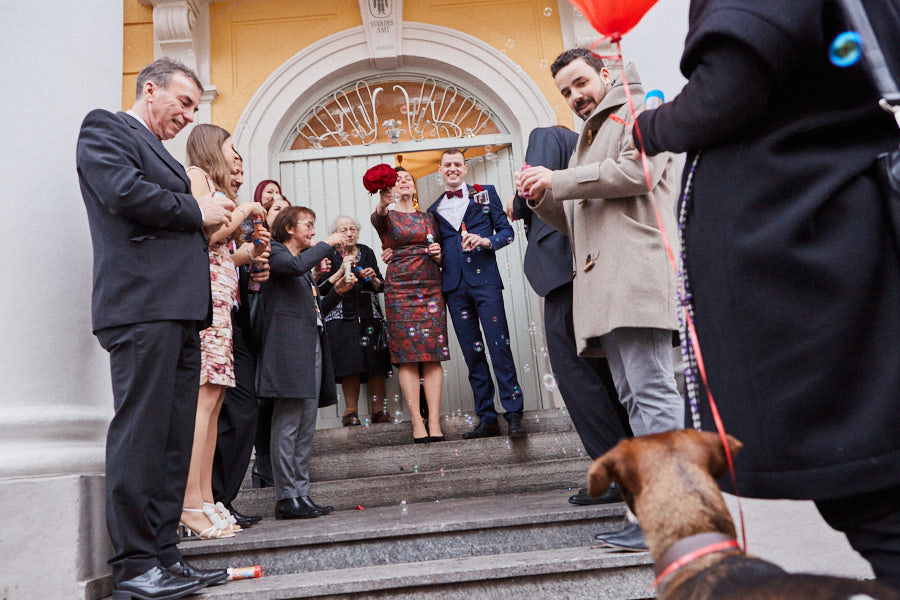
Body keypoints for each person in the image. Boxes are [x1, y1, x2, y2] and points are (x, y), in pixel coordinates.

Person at [633, 0, 900, 587]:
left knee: (878, 500)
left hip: (813, 255)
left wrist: (648, 126)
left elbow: (731, 86)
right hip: (831, 240)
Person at [77, 58, 234, 598]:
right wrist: (199, 209)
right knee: (141, 435)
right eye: (185, 102)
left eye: (195, 108)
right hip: (140, 307)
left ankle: (165, 555)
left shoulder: (162, 154)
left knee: (171, 440)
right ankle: (134, 565)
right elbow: (123, 195)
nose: (190, 116)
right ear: (150, 89)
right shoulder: (105, 127)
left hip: (181, 310)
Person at [516, 49, 685, 550]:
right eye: (566, 91)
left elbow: (639, 174)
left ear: (605, 75)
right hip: (608, 285)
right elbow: (579, 220)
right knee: (635, 397)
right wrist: (542, 197)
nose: (574, 96)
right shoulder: (593, 132)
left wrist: (558, 179)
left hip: (635, 278)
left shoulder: (638, 109)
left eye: (581, 82)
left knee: (651, 393)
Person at [507, 126, 633, 505]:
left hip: (565, 271)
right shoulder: (600, 148)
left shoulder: (548, 134)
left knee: (576, 377)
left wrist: (517, 200)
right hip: (594, 267)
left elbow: (535, 184)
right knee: (606, 377)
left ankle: (612, 474)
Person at [182, 124, 268, 539]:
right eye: (231, 148)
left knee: (214, 402)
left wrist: (246, 254)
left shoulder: (215, 186)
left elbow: (218, 253)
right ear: (211, 147)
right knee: (203, 401)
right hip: (204, 304)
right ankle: (190, 502)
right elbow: (203, 234)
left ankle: (205, 497)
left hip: (220, 302)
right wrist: (244, 211)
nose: (236, 156)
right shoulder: (196, 174)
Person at [257, 206, 350, 519]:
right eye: (307, 225)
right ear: (288, 229)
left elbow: (313, 307)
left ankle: (301, 494)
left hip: (310, 346)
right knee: (288, 423)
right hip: (287, 351)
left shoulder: (301, 269)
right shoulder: (277, 253)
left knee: (305, 425)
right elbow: (294, 266)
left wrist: (336, 291)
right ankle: (286, 498)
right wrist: (328, 242)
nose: (312, 230)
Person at [427, 149, 525, 439]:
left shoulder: (486, 193)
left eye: (458, 164)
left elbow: (507, 232)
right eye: (448, 165)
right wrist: (436, 255)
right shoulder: (433, 209)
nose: (453, 169)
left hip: (486, 284)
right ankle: (486, 416)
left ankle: (514, 412)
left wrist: (485, 240)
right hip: (454, 288)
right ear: (440, 170)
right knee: (473, 354)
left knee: (499, 347)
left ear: (465, 169)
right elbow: (439, 248)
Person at [211, 150, 269, 529]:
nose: (240, 171)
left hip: (235, 318)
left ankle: (223, 497)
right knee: (220, 413)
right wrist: (240, 256)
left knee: (244, 412)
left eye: (243, 167)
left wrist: (255, 263)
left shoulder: (238, 214)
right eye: (234, 161)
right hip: (211, 318)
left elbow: (237, 265)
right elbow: (205, 252)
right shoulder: (214, 206)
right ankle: (213, 499)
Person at [372, 167, 449, 443]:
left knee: (432, 354)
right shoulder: (386, 217)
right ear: (392, 188)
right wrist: (383, 201)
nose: (404, 182)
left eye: (408, 179)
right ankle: (417, 421)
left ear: (414, 188)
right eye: (398, 180)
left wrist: (439, 256)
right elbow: (379, 216)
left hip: (430, 286)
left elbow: (440, 252)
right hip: (400, 290)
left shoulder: (429, 218)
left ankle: (435, 420)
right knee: (406, 356)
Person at [319, 216, 392, 426]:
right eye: (343, 230)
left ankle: (379, 411)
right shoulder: (329, 254)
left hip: (370, 315)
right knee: (349, 365)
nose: (349, 233)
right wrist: (341, 272)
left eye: (352, 229)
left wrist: (373, 278)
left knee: (376, 364)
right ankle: (350, 412)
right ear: (336, 234)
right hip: (341, 317)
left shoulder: (366, 252)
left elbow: (380, 286)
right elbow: (321, 289)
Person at [250, 191, 291, 489]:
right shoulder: (265, 245)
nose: (284, 214)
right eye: (277, 208)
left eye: (288, 210)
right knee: (262, 398)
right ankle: (263, 464)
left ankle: (279, 465)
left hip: (284, 328)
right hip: (259, 323)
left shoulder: (292, 251)